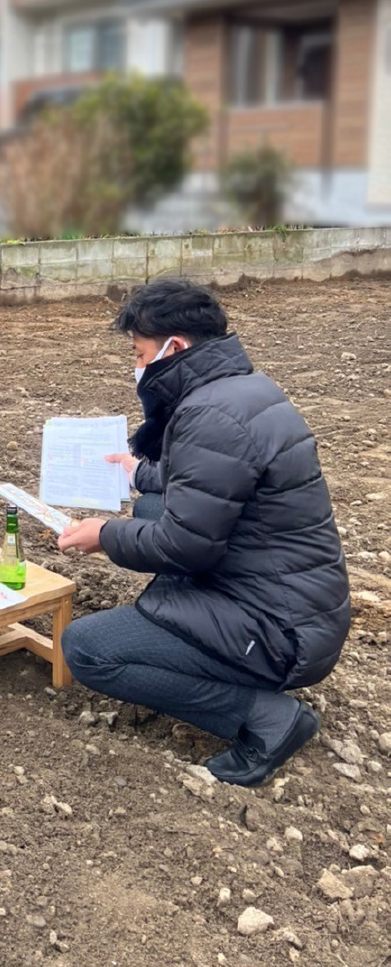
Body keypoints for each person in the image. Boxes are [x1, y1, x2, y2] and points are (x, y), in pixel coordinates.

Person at [57, 278, 350, 786]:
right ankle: (205, 637)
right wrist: (136, 471)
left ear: (176, 346)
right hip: (294, 599)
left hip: (280, 633)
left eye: (140, 351)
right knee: (152, 504)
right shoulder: (239, 390)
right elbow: (205, 477)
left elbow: (186, 544)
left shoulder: (208, 414)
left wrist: (104, 534)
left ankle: (264, 718)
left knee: (87, 648)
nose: (137, 363)